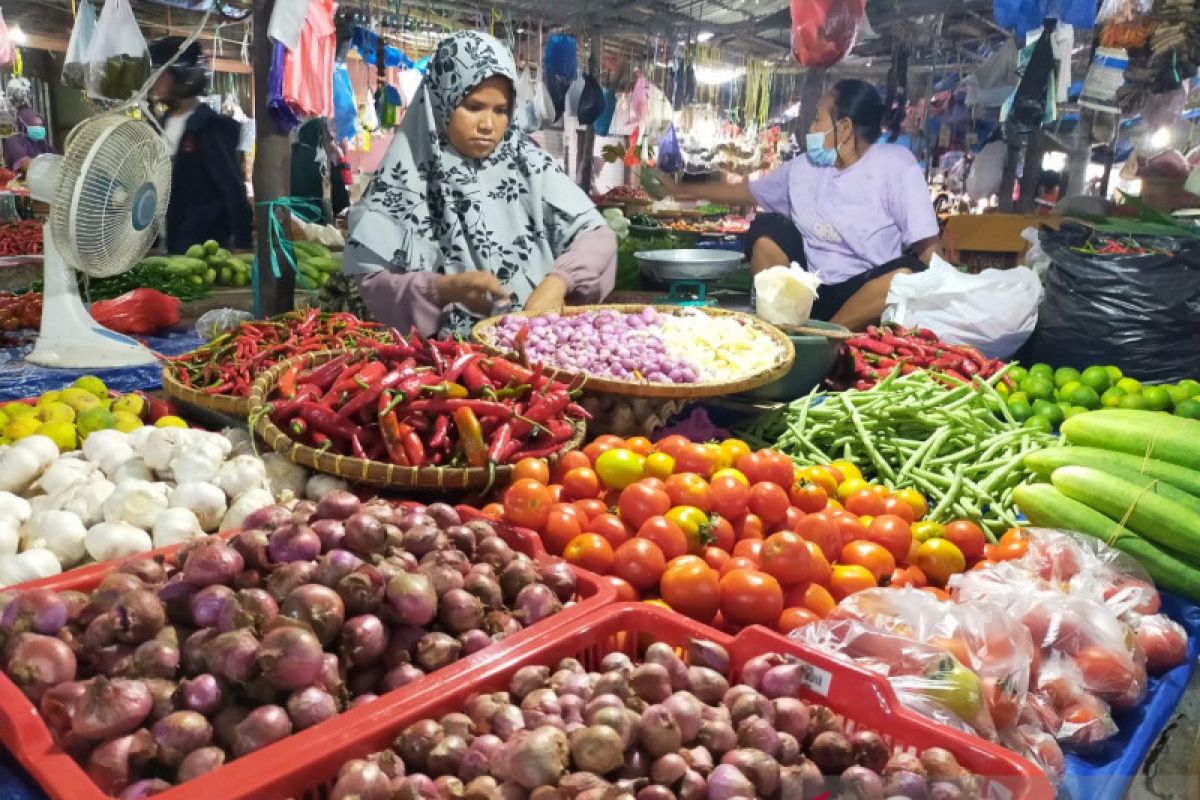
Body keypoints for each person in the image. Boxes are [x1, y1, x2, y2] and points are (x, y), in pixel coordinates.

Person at [344, 31, 616, 337]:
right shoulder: (403, 179)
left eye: (501, 110)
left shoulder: (529, 166)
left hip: (538, 354)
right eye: (473, 107)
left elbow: (598, 236)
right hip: (447, 369)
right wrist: (445, 288)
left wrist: (559, 281)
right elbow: (375, 284)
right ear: (440, 100)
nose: (488, 125)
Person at [660, 80, 940, 330]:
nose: (811, 128)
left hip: (864, 300)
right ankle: (780, 326)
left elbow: (926, 246)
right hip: (807, 292)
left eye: (818, 119)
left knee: (907, 273)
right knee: (767, 228)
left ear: (843, 128)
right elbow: (745, 191)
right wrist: (682, 189)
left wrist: (951, 293)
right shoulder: (802, 168)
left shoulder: (895, 165)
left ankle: (826, 335)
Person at [148, 37, 252, 254]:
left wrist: (243, 242)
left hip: (204, 250)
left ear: (181, 75)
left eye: (160, 74)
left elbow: (232, 188)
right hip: (170, 247)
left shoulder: (209, 127)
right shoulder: (160, 125)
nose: (153, 82)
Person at [2, 78, 54, 175]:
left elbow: (58, 159)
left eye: (41, 125)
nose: (39, 128)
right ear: (24, 125)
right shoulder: (13, 142)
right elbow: (26, 165)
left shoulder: (42, 143)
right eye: (35, 124)